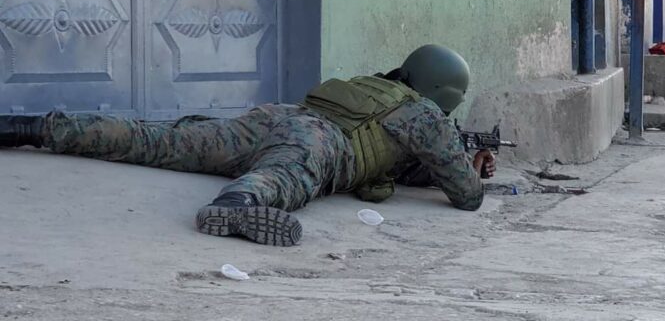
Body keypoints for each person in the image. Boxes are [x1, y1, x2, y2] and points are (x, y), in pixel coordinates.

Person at [0, 45, 496, 246]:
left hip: (277, 117)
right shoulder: (427, 116)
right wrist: (472, 167)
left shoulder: (377, 87)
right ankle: (236, 205)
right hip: (319, 141)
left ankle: (32, 128)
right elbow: (467, 196)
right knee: (286, 179)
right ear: (445, 94)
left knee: (160, 139)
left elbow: (395, 163)